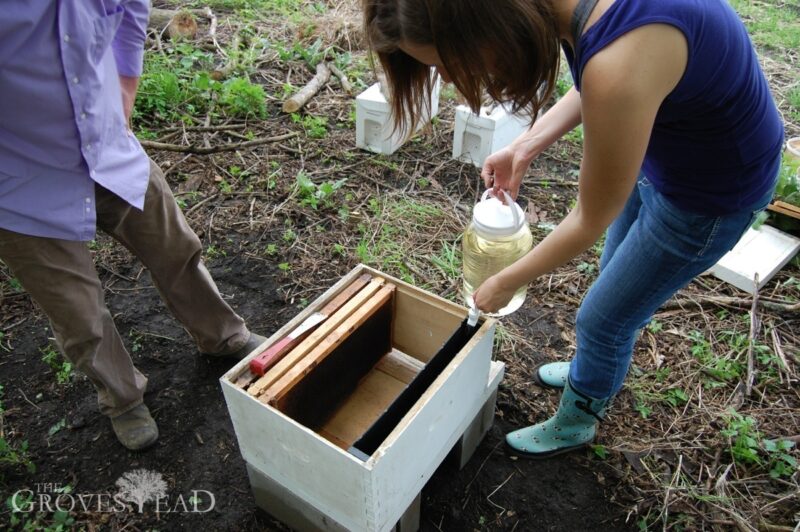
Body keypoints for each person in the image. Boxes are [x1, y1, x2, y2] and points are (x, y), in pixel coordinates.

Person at [362, 0, 784, 457]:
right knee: (614, 283)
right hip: (667, 153)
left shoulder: (620, 60)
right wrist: (524, 146)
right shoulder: (574, 11)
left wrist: (506, 279)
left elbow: (590, 216)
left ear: (483, 25)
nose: (445, 78)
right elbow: (597, 83)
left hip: (711, 195)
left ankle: (578, 420)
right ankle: (597, 363)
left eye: (444, 63)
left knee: (603, 319)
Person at [0, 2, 266, 451]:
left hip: (109, 147)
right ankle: (122, 397)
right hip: (21, 183)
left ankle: (224, 336)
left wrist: (126, 84)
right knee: (77, 313)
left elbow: (129, 10)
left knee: (176, 250)